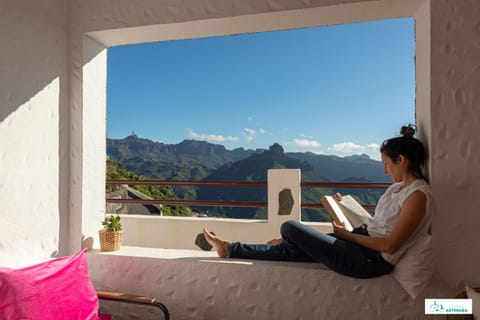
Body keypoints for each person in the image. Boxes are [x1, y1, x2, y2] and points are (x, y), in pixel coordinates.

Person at [202, 125, 435, 279]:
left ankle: (237, 247)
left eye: (386, 163)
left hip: (367, 260)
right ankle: (230, 248)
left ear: (401, 160)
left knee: (289, 227)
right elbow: (381, 223)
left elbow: (390, 246)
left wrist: (348, 236)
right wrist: (346, 206)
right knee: (288, 247)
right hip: (360, 243)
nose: (384, 170)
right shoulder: (397, 189)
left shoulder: (417, 196)